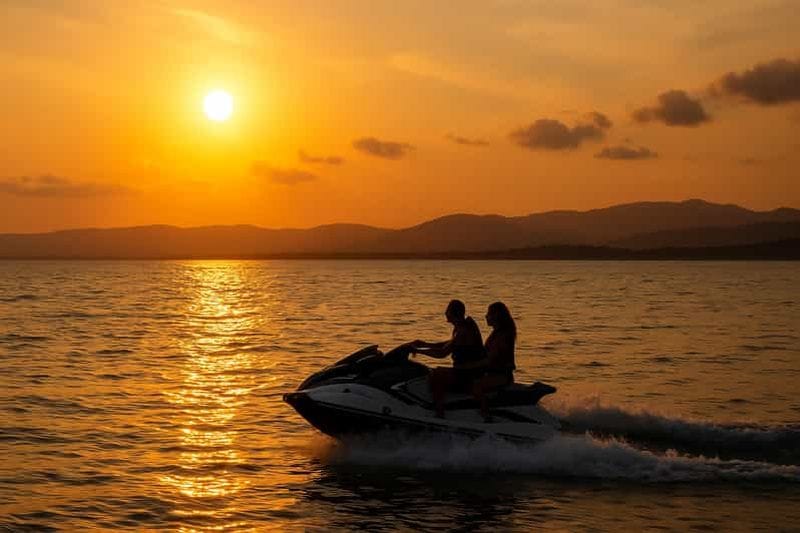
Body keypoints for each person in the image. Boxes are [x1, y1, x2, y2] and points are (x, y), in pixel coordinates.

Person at [410, 299, 486, 418]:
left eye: (447, 310)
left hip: (469, 373)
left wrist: (419, 351)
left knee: (437, 376)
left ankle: (439, 413)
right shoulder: (461, 327)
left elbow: (442, 353)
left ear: (453, 313)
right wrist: (425, 344)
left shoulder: (463, 331)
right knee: (432, 372)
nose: (445, 313)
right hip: (464, 370)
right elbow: (447, 344)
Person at [472, 302, 517, 421]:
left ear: (496, 316)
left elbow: (491, 358)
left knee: (476, 385)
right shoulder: (496, 333)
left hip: (501, 376)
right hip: (492, 373)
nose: (486, 316)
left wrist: (471, 365)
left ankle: (486, 415)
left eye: (489, 314)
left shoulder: (503, 335)